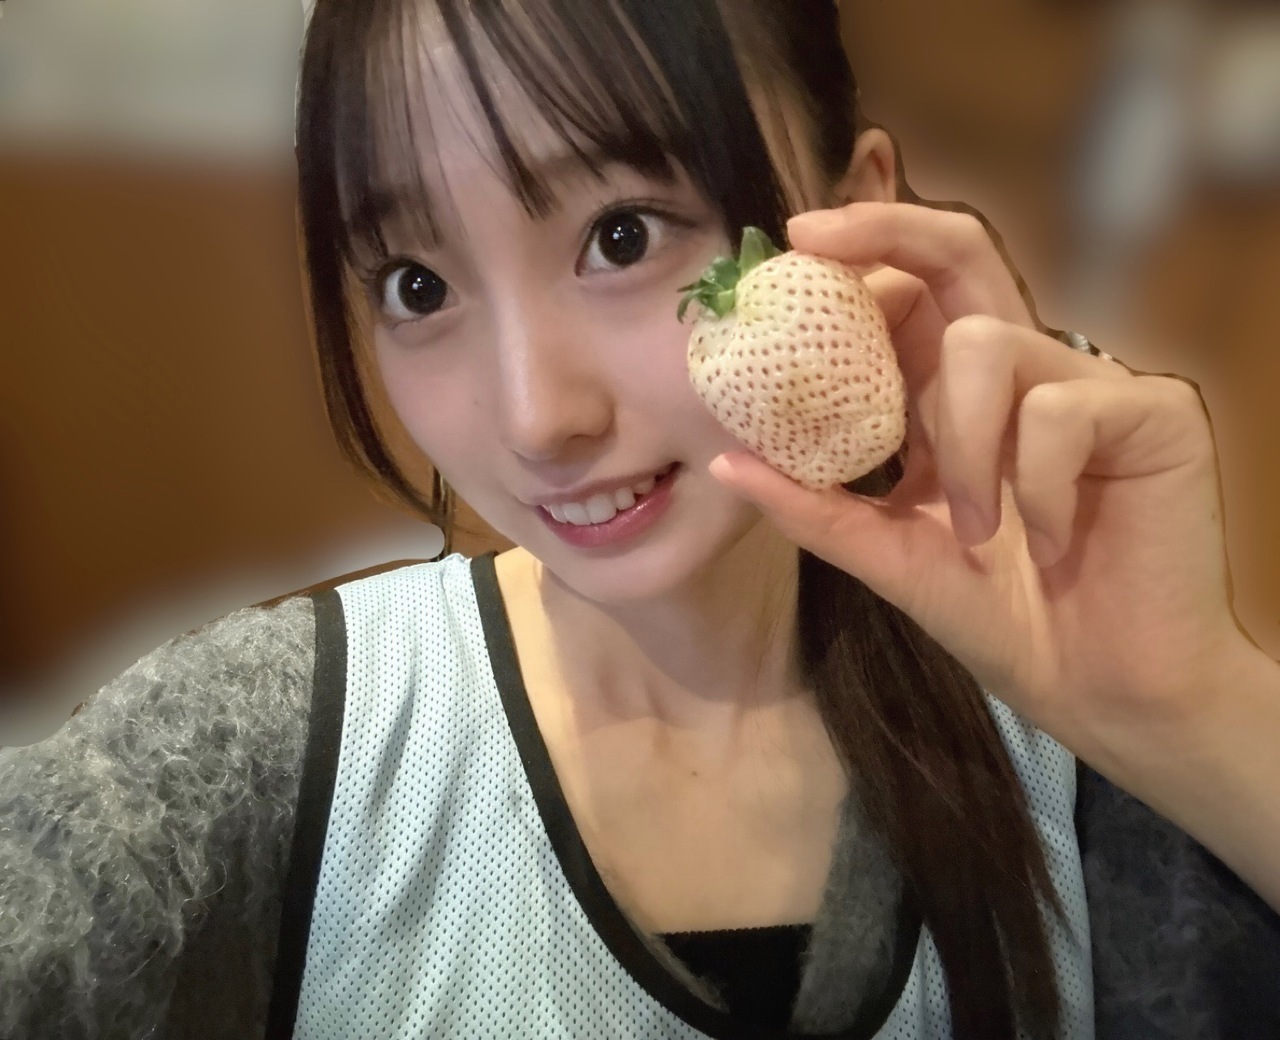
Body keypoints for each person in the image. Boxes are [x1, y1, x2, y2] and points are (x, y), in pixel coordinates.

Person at [2, 0, 1277, 1038]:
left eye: (621, 235)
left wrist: (1192, 707)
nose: (534, 417)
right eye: (416, 284)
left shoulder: (1068, 722)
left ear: (857, 209)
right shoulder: (277, 750)